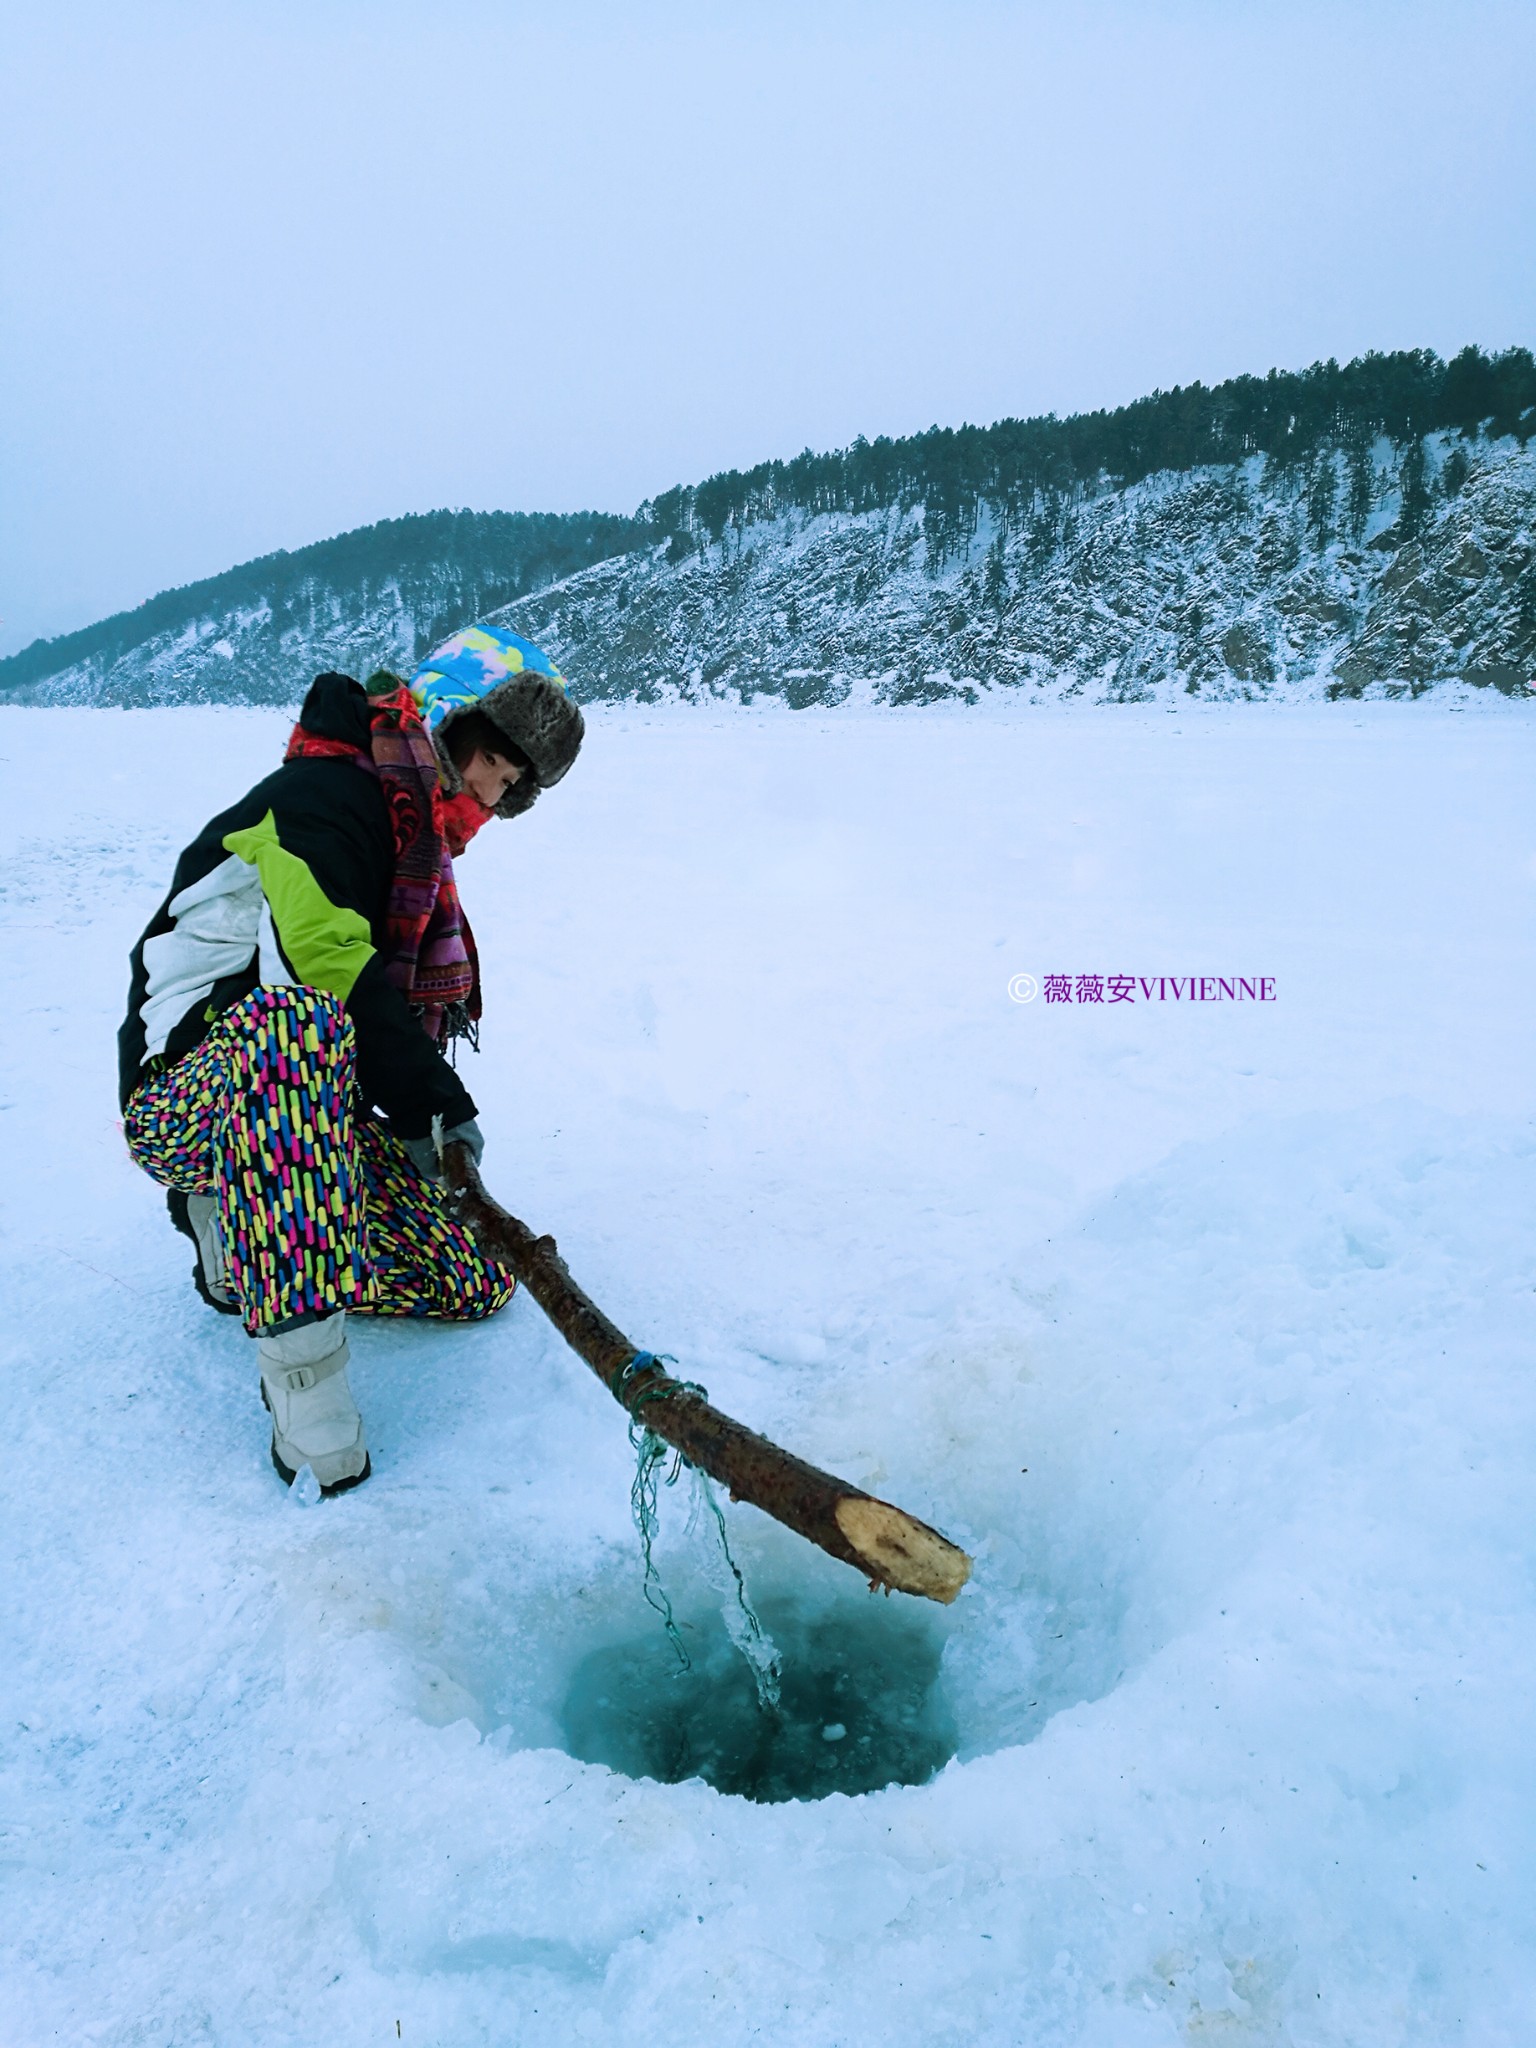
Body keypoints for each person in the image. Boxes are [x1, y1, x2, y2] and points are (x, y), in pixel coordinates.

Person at [118, 625, 584, 1494]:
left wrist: (417, 1109)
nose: (492, 792)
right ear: (450, 721)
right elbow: (327, 965)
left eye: (514, 785)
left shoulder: (409, 843)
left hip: (292, 1116)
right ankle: (307, 1391)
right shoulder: (318, 799)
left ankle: (252, 1223)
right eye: (494, 759)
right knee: (297, 1026)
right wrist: (427, 1097)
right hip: (183, 1103)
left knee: (470, 1275)